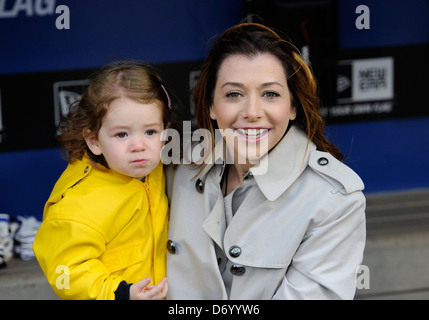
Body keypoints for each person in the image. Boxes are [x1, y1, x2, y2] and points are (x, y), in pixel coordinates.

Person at [164, 23, 366, 299]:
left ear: (293, 106)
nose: (252, 112)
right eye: (234, 94)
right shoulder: (177, 166)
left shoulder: (335, 200)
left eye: (270, 94)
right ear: (210, 105)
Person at [33, 61, 179, 300]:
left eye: (151, 132)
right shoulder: (77, 207)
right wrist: (120, 293)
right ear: (94, 141)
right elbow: (65, 272)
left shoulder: (153, 169)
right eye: (121, 134)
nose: (139, 146)